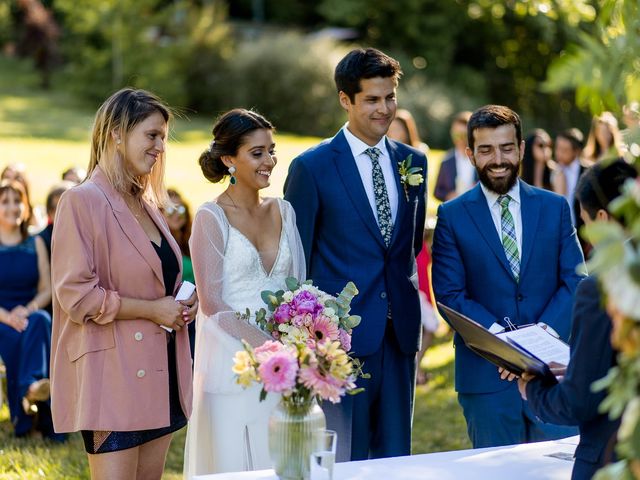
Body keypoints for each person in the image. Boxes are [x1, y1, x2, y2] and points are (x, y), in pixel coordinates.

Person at [284, 47, 427, 461]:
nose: (385, 109)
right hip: (340, 341)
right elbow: (298, 261)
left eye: (390, 98)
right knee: (343, 457)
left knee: (397, 456)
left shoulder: (413, 162)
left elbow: (409, 247)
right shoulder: (311, 168)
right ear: (346, 100)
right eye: (372, 100)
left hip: (399, 335)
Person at [50, 88, 196, 480]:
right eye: (152, 135)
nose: (160, 147)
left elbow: (160, 278)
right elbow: (75, 296)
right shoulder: (81, 201)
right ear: (117, 133)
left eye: (163, 137)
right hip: (112, 375)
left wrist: (182, 303)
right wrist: (153, 310)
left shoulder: (147, 203)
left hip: (160, 372)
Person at [431, 104, 585, 448]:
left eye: (506, 148)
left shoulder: (555, 207)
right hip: (486, 381)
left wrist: (539, 341)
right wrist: (505, 348)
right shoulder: (452, 216)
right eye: (486, 149)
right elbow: (450, 294)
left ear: (521, 149)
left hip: (554, 375)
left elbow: (575, 280)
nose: (497, 159)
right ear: (470, 154)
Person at [184, 109, 306, 477]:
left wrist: (299, 344)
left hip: (285, 368)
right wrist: (268, 349)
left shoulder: (284, 211)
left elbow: (298, 290)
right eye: (257, 153)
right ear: (228, 159)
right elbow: (213, 304)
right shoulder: (211, 217)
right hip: (231, 366)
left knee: (283, 461)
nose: (269, 161)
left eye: (272, 151)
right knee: (236, 464)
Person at [519, 160, 637, 480]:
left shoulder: (601, 287)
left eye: (584, 223)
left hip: (615, 458)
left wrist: (533, 390)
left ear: (601, 218)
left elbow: (578, 401)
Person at [0, 180, 57, 439]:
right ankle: (28, 410)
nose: (13, 207)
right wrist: (8, 317)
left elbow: (47, 288)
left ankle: (32, 387)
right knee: (15, 338)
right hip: (2, 317)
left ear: (26, 206)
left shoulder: (35, 243)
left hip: (28, 312)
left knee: (41, 320)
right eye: (5, 202)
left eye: (17, 201)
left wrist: (27, 309)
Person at [162, 188, 196, 357]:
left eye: (180, 209)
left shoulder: (191, 241)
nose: (176, 214)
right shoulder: (160, 245)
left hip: (193, 313)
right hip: (168, 314)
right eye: (170, 210)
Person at [434, 111, 476, 202]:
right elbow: (437, 191)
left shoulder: (481, 158)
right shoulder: (446, 160)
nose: (460, 139)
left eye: (464, 135)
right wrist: (449, 195)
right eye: (456, 135)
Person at [551, 128, 587, 227]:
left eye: (564, 150)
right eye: (557, 148)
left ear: (576, 152)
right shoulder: (552, 170)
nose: (559, 153)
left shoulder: (587, 173)